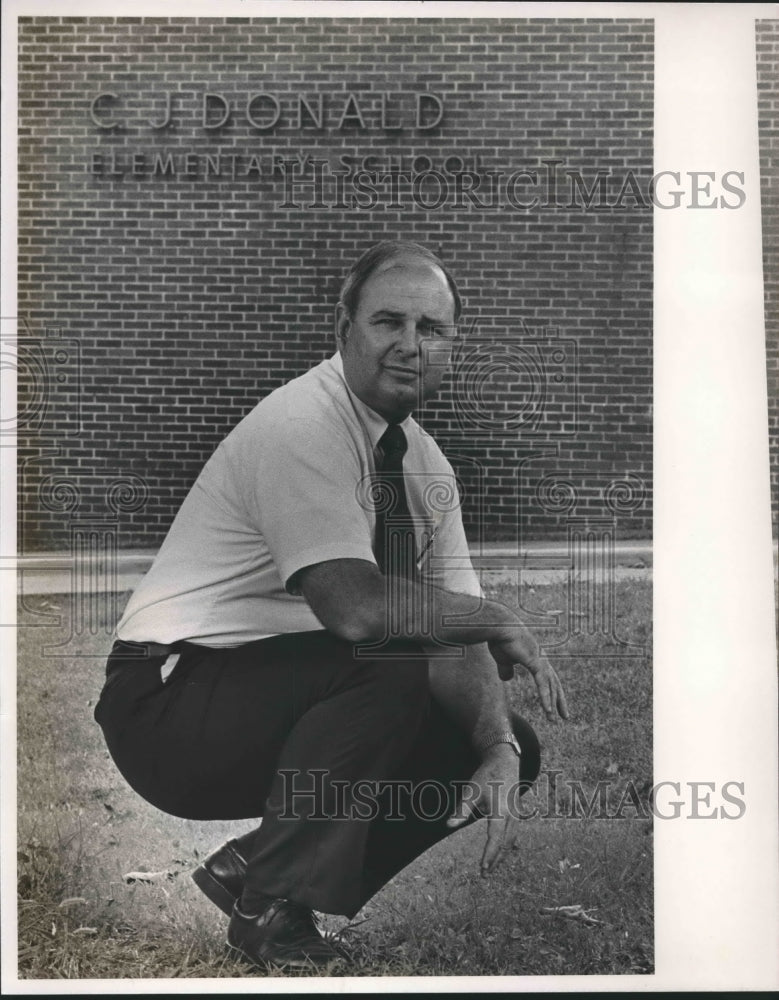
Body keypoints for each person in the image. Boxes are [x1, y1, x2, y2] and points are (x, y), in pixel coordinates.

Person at [94, 240, 569, 972]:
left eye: (431, 329)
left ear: (451, 345)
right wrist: (500, 618)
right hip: (165, 709)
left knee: (497, 741)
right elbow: (353, 608)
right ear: (341, 328)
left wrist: (497, 750)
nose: (410, 345)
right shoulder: (301, 426)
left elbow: (452, 631)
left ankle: (258, 878)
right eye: (387, 322)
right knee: (381, 660)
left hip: (269, 698)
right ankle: (268, 911)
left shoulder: (422, 462)